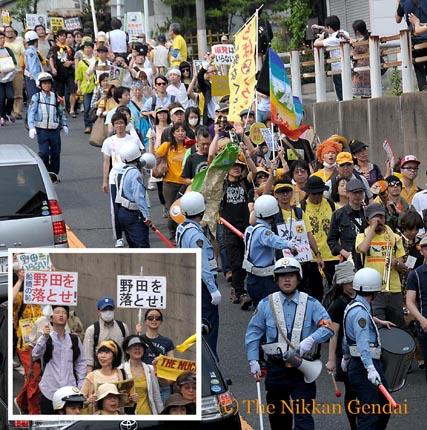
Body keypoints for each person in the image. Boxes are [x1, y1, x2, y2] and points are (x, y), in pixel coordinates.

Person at [245, 257, 334, 430]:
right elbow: (253, 333)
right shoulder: (266, 304)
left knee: (304, 419)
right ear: (276, 280)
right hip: (276, 369)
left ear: (298, 278)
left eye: (291, 275)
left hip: (302, 367)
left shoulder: (311, 303)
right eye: (282, 276)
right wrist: (253, 359)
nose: (286, 279)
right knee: (279, 420)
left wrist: (311, 339)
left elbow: (328, 327)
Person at [342, 268, 391, 429]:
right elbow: (362, 342)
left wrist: (345, 357)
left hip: (359, 363)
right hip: (364, 365)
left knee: (383, 405)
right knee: (370, 413)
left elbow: (346, 336)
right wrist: (370, 368)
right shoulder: (361, 313)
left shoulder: (354, 306)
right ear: (374, 290)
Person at [176, 192, 221, 357]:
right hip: (203, 284)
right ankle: (210, 361)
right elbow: (203, 265)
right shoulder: (196, 235)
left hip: (192, 280)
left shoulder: (182, 227)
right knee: (209, 326)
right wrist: (213, 289)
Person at [356, 203, 406, 327]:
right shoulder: (362, 236)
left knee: (397, 326)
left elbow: (402, 266)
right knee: (377, 326)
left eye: (381, 217)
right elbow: (363, 249)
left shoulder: (395, 237)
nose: (379, 220)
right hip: (373, 289)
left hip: (393, 289)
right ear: (368, 220)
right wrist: (372, 228)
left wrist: (396, 263)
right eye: (375, 217)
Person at [243, 194, 297, 308]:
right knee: (270, 309)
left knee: (259, 309)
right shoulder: (263, 232)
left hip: (252, 277)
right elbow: (273, 240)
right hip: (263, 279)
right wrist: (289, 244)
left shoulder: (250, 230)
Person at [32, 305, 86, 414]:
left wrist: (81, 384)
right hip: (49, 389)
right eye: (57, 312)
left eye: (64, 313)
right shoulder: (46, 338)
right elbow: (35, 355)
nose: (61, 315)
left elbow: (81, 362)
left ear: (67, 318)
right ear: (51, 318)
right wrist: (44, 337)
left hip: (69, 390)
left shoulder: (74, 339)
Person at [101, 112, 143, 247]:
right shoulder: (109, 141)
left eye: (121, 123)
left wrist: (141, 176)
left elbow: (139, 159)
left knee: (134, 205)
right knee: (116, 208)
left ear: (126, 124)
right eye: (116, 123)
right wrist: (105, 180)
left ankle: (133, 232)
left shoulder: (133, 140)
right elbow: (106, 162)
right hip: (115, 178)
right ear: (113, 125)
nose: (119, 126)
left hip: (131, 177)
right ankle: (118, 237)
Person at [300, 176, 337, 300]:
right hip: (311, 258)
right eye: (314, 194)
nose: (317, 196)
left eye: (320, 193)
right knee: (314, 293)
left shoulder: (332, 205)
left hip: (332, 256)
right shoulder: (301, 209)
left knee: (333, 292)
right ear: (308, 193)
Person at [12, 268, 43, 414]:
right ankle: (33, 412)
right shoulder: (20, 297)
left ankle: (21, 400)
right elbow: (11, 300)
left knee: (37, 377)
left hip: (44, 343)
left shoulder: (43, 298)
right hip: (26, 346)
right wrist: (20, 280)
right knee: (34, 377)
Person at [27, 72, 68, 183]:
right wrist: (31, 127)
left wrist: (64, 124)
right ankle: (45, 172)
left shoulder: (56, 97)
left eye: (49, 83)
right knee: (44, 153)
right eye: (44, 83)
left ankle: (53, 174)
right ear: (40, 85)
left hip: (54, 130)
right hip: (42, 130)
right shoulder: (36, 97)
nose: (47, 85)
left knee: (55, 153)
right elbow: (31, 112)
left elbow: (61, 111)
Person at [115, 142, 155, 248]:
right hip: (134, 214)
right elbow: (138, 196)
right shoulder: (134, 173)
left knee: (132, 245)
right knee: (142, 246)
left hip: (123, 211)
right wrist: (146, 215)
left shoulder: (121, 170)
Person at [155, 122, 187, 240]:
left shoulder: (189, 147)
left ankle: (182, 234)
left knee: (183, 210)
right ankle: (172, 235)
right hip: (169, 183)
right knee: (172, 210)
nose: (180, 133)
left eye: (183, 131)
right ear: (173, 133)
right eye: (177, 131)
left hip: (185, 183)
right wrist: (162, 163)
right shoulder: (167, 146)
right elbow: (155, 156)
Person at [135, 309, 174, 402]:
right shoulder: (139, 338)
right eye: (150, 318)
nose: (154, 320)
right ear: (145, 321)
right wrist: (136, 335)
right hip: (145, 383)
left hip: (161, 384)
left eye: (157, 318)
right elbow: (133, 358)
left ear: (161, 321)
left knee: (163, 410)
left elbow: (172, 363)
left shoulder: (167, 341)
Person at [328, 178, 368, 268]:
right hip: (348, 258)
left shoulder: (368, 213)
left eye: (360, 192)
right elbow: (331, 240)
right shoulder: (339, 214)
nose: (358, 195)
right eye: (354, 193)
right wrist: (345, 253)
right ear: (347, 194)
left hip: (368, 258)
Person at [83, 297, 130, 372]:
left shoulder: (123, 327)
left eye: (110, 309)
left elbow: (128, 350)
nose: (108, 312)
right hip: (99, 372)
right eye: (104, 309)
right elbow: (88, 358)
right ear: (99, 311)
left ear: (114, 310)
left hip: (120, 371)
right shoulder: (92, 330)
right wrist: (89, 375)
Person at [121, 335, 163, 414]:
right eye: (134, 346)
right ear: (127, 350)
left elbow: (156, 395)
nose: (137, 349)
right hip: (130, 416)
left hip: (148, 414)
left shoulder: (150, 369)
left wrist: (161, 414)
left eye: (140, 346)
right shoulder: (121, 370)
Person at [81, 340, 126, 412]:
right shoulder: (91, 376)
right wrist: (88, 401)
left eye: (107, 352)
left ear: (114, 356)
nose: (102, 356)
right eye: (100, 352)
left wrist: (131, 399)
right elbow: (80, 402)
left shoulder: (120, 373)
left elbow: (124, 399)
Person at [406, 234, 427, 382]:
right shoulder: (415, 275)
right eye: (426, 248)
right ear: (422, 251)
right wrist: (422, 319)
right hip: (425, 325)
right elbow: (410, 302)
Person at [313, 15, 349, 101]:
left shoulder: (332, 39)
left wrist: (320, 38)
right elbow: (332, 30)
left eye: (326, 27)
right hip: (347, 66)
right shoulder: (344, 33)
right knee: (348, 92)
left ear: (329, 27)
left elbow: (316, 44)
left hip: (337, 69)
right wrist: (320, 27)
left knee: (341, 94)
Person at [396, 1, 427, 91]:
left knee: (418, 68)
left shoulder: (403, 2)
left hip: (415, 39)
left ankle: (424, 89)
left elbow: (397, 20)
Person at [48, 29, 77, 117]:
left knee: (73, 90)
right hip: (59, 73)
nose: (63, 38)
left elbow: (76, 60)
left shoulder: (69, 49)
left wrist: (71, 62)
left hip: (69, 73)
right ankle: (61, 109)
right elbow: (50, 58)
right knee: (59, 93)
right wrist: (53, 68)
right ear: (57, 37)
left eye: (64, 36)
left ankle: (72, 109)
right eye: (61, 36)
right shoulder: (54, 48)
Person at [75, 41, 96, 133]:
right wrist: (78, 87)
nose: (87, 49)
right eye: (85, 48)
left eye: (89, 47)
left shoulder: (96, 60)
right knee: (87, 107)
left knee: (96, 106)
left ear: (92, 49)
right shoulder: (81, 63)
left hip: (96, 86)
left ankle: (96, 125)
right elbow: (79, 76)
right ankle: (88, 125)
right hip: (86, 87)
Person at [4, 26, 24, 119]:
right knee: (5, 93)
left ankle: (17, 112)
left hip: (17, 70)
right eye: (7, 31)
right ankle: (5, 112)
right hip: (4, 72)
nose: (10, 33)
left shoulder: (19, 43)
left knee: (18, 93)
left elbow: (24, 54)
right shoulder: (2, 42)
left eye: (11, 31)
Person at [350, 20, 372, 98]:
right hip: (371, 69)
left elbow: (352, 54)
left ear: (357, 31)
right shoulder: (369, 39)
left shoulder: (359, 43)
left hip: (361, 71)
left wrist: (352, 45)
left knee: (364, 96)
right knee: (370, 94)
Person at [0, 30, 16, 126]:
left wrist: (10, 67)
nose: (2, 40)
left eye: (3, 38)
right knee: (1, 99)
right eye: (0, 38)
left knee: (10, 97)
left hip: (8, 78)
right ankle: (2, 116)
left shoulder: (8, 50)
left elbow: (14, 62)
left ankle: (8, 112)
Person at [24, 30, 43, 99]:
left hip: (33, 77)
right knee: (35, 98)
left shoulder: (31, 50)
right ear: (36, 41)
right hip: (33, 78)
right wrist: (37, 80)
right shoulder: (31, 51)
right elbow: (33, 68)